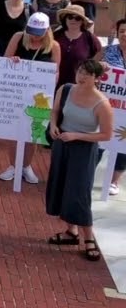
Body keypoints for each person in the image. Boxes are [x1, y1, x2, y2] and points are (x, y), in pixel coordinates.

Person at [45, 59, 113, 262]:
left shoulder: (102, 103)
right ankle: (71, 232)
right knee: (62, 186)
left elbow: (106, 135)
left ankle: (89, 239)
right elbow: (55, 111)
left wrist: (76, 136)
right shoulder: (65, 89)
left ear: (97, 78)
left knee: (80, 193)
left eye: (88, 74)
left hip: (83, 149)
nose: (82, 77)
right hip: (62, 143)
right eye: (80, 71)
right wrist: (53, 126)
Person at [0, 12, 61, 185]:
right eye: (32, 31)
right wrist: (13, 61)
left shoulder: (54, 46)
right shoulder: (18, 38)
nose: (34, 36)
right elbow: (5, 62)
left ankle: (26, 166)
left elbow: (56, 73)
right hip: (17, 91)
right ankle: (13, 165)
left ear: (47, 30)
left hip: (39, 97)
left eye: (38, 33)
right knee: (14, 131)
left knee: (33, 132)